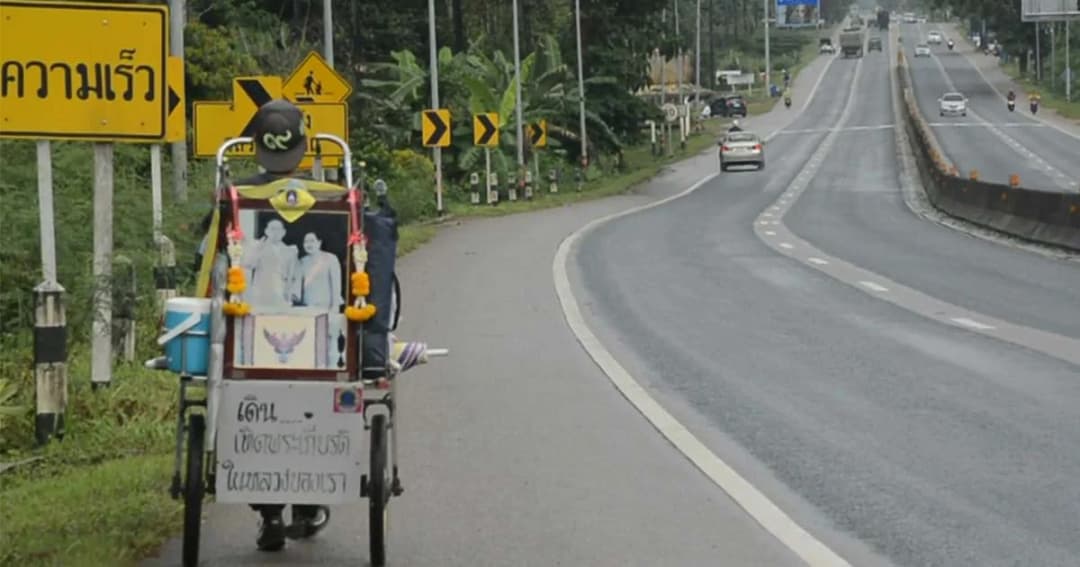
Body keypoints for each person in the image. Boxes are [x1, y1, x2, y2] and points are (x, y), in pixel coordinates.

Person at [193, 99, 331, 552]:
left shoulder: (232, 197)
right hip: (317, 341)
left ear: (256, 148)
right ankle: (307, 504)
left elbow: (206, 259)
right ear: (304, 147)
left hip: (245, 336)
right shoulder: (331, 198)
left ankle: (270, 513)